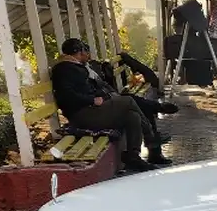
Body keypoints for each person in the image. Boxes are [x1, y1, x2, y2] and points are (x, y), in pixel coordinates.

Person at [50, 38, 168, 172]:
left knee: (132, 115)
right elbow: (65, 96)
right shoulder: (63, 69)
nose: (87, 54)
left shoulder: (76, 67)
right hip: (82, 114)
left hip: (93, 110)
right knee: (128, 101)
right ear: (78, 52)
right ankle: (151, 139)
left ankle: (133, 156)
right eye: (85, 50)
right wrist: (91, 100)